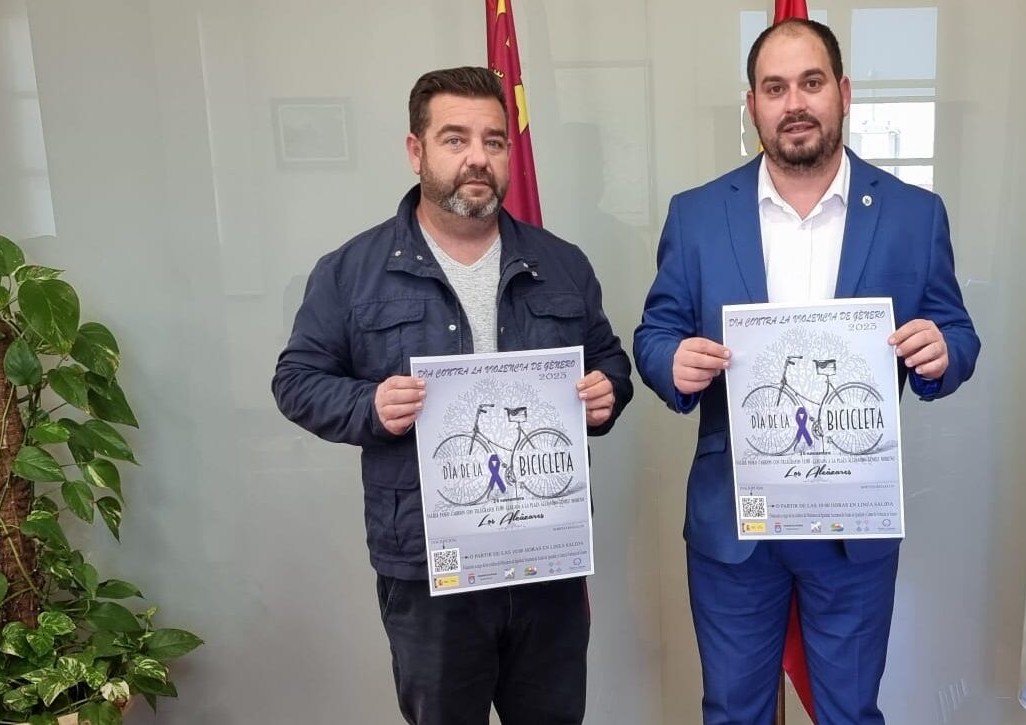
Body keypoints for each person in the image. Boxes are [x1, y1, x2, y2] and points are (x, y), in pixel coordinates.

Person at [633, 19, 980, 724]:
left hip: (853, 522)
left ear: (843, 93)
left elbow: (958, 332)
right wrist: (672, 360)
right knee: (734, 711)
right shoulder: (696, 216)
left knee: (848, 712)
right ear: (752, 105)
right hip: (734, 521)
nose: (794, 103)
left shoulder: (914, 215)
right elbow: (654, 333)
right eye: (774, 88)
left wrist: (943, 351)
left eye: (811, 83)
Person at [272, 65, 632, 725]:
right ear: (417, 151)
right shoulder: (351, 272)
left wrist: (608, 390)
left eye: (493, 141)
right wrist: (370, 407)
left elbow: (607, 358)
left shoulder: (562, 263)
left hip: (545, 559)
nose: (477, 158)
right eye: (455, 139)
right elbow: (296, 380)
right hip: (428, 567)